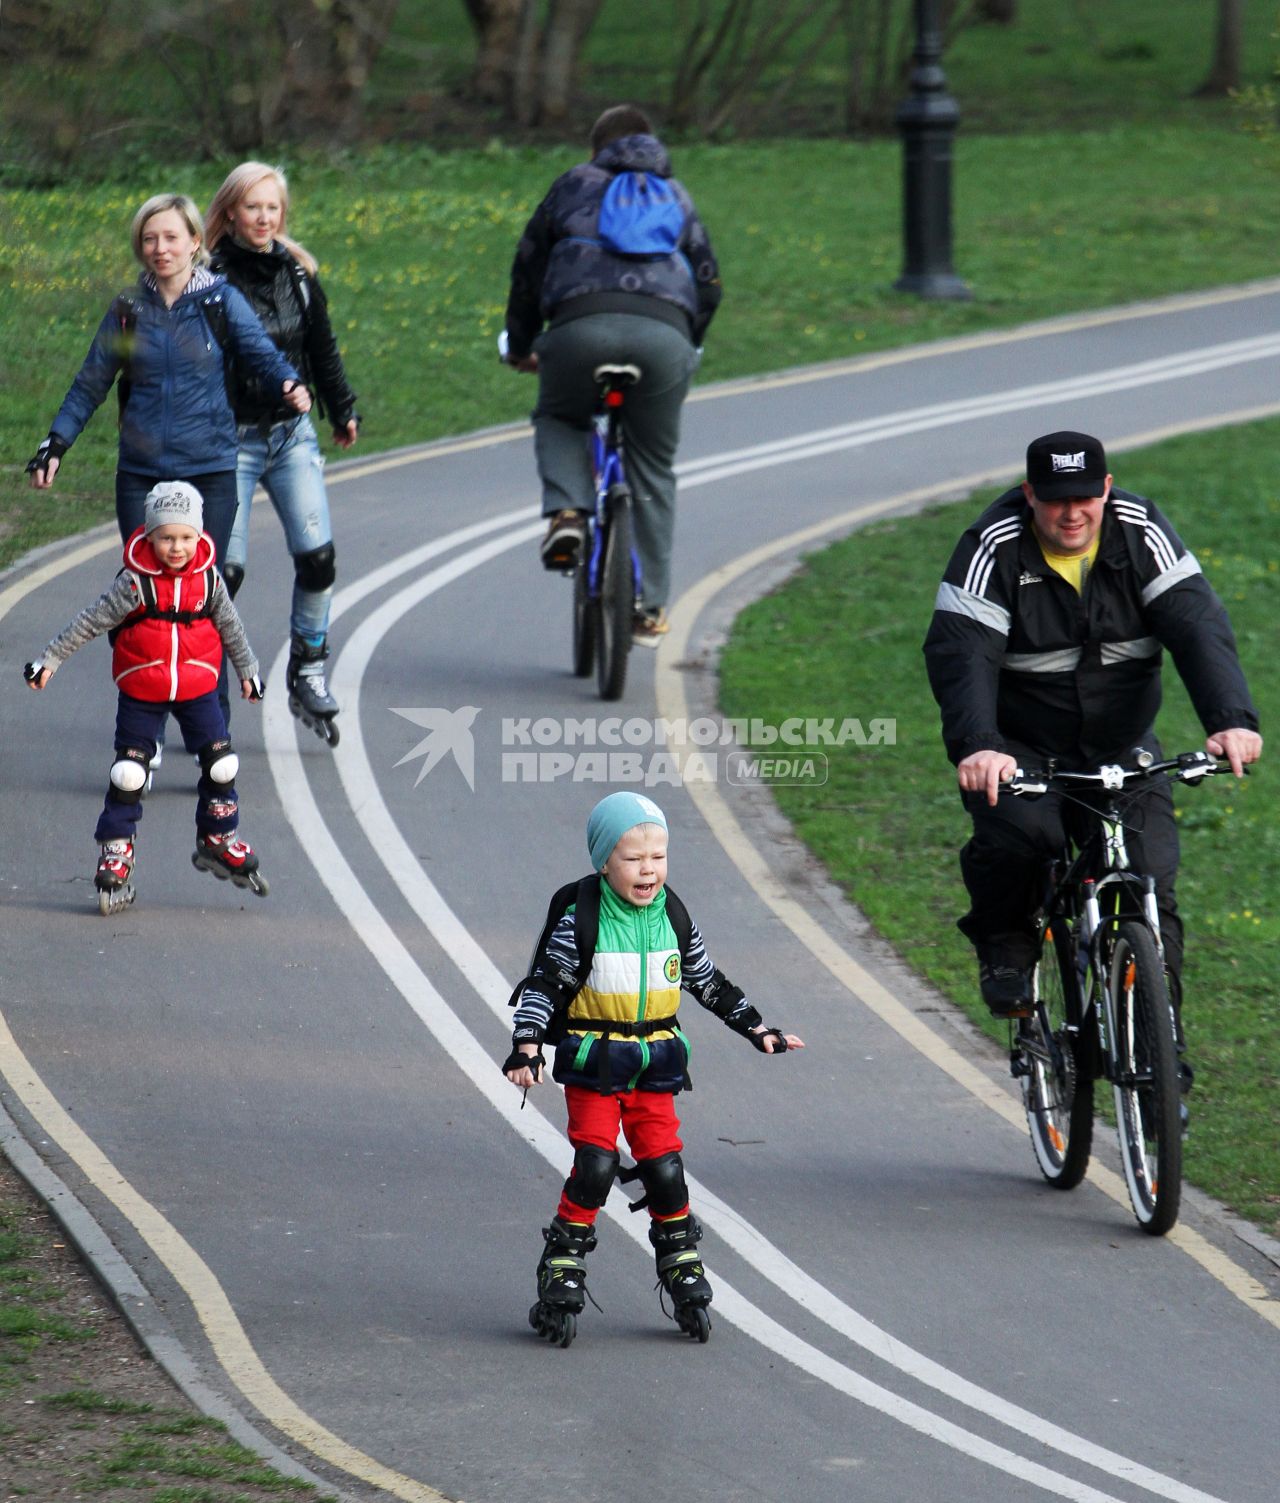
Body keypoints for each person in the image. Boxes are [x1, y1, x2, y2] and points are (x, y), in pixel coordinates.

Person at [922, 431, 1261, 1081]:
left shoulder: (1140, 532)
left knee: (1151, 879)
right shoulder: (991, 547)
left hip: (1121, 743)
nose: (1070, 513)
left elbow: (1197, 624)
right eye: (1054, 500)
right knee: (1023, 837)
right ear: (1030, 496)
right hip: (1019, 747)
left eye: (1084, 497)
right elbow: (960, 653)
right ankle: (1008, 946)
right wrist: (979, 746)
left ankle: (1161, 1056)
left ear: (1106, 489)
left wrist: (1230, 722)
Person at [502, 791, 803, 1343]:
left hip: (654, 1069)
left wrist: (758, 1028)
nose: (649, 870)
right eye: (633, 858)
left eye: (658, 857)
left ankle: (681, 1262)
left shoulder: (674, 915)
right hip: (595, 1066)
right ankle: (561, 1266)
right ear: (603, 862)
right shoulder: (582, 920)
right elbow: (544, 987)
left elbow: (707, 982)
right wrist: (527, 1047)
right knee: (594, 1166)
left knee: (665, 1171)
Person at [27, 191, 310, 726]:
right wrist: (56, 442)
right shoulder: (128, 312)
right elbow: (91, 382)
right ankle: (142, 720)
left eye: (171, 237)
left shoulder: (220, 302)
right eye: (150, 239)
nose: (160, 248)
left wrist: (289, 382)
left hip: (208, 470)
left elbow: (261, 353)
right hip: (141, 473)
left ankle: (212, 718)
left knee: (205, 590)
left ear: (195, 243)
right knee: (137, 595)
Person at [502, 104, 721, 647]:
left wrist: (523, 345)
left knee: (559, 413)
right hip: (664, 338)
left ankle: (569, 513)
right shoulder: (677, 195)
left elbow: (528, 270)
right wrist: (687, 342)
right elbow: (711, 281)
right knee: (652, 464)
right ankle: (649, 608)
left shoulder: (574, 184)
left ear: (594, 149)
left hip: (579, 330)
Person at [25, 482, 269, 911]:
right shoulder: (135, 583)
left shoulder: (209, 580)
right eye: (167, 537)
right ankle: (116, 853)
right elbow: (90, 621)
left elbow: (232, 627)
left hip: (198, 689)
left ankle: (218, 836)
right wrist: (50, 660)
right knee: (129, 775)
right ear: (149, 535)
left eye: (186, 537)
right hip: (142, 690)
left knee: (222, 763)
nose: (177, 548)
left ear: (199, 536)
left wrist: (247, 670)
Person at [205, 162, 360, 745]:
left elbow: (322, 346)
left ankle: (308, 671)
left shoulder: (298, 274)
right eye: (253, 207)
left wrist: (342, 408)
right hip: (230, 442)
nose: (265, 217)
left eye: (273, 208)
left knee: (318, 558)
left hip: (291, 435)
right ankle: (207, 688)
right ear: (230, 214)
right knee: (226, 574)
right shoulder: (208, 278)